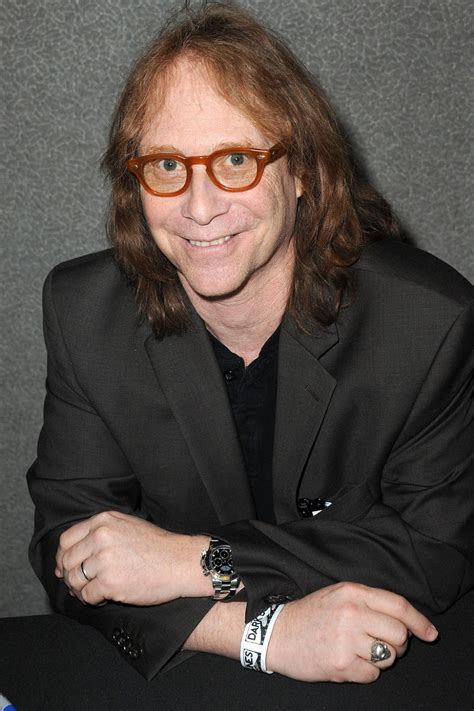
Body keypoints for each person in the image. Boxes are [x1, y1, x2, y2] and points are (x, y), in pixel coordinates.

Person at [28, 1, 473, 686]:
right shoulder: (84, 312)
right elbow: (73, 555)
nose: (200, 207)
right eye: (167, 164)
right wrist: (264, 636)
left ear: (303, 172)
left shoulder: (426, 324)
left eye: (236, 159)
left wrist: (189, 562)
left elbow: (436, 552)